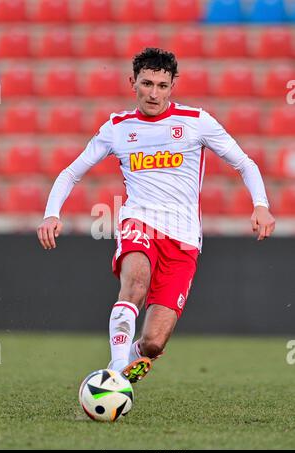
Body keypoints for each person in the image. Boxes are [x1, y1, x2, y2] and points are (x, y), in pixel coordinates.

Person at [37, 48, 275, 383]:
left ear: (173, 85)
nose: (153, 93)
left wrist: (261, 204)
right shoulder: (118, 127)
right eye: (147, 83)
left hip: (183, 239)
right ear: (132, 82)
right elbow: (71, 173)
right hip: (139, 221)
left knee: (152, 342)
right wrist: (51, 213)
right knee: (134, 283)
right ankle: (116, 373)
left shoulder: (196, 122)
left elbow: (244, 163)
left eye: (162, 85)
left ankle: (127, 360)